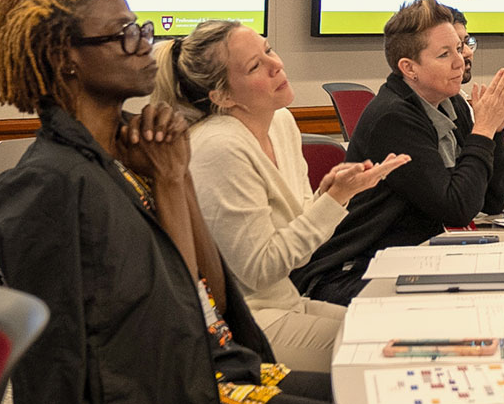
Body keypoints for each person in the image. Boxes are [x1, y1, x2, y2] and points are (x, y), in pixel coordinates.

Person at [0, 0, 360, 404]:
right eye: (124, 34)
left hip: (207, 378)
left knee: (377, 392)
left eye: (142, 30)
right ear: (67, 58)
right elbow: (64, 369)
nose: (146, 46)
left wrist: (173, 179)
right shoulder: (44, 184)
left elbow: (198, 293)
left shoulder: (125, 159)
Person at [153, 19, 405, 366]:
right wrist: (332, 202)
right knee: (394, 352)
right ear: (222, 96)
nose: (277, 65)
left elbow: (298, 249)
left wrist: (331, 196)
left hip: (285, 299)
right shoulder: (218, 147)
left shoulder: (281, 121)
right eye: (256, 66)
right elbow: (260, 269)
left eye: (268, 49)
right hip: (247, 323)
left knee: (403, 329)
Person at [299, 0, 504, 305]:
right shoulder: (393, 117)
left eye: (459, 48)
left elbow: (491, 202)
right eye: (445, 54)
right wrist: (483, 130)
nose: (460, 61)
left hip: (413, 258)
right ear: (409, 68)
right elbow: (456, 207)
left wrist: (495, 132)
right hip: (358, 270)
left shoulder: (450, 101)